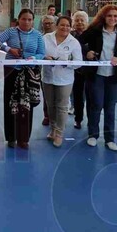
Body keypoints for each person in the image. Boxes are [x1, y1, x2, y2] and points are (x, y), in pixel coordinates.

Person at [78, 4, 117, 151]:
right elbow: (78, 42)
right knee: (95, 105)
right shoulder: (94, 31)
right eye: (109, 16)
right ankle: (93, 135)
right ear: (103, 17)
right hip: (97, 74)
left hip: (114, 76)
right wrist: (87, 52)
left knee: (110, 107)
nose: (112, 18)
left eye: (115, 16)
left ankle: (110, 139)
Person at [0, 8, 45, 149]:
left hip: (29, 72)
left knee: (26, 104)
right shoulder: (11, 32)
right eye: (24, 19)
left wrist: (34, 58)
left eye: (29, 19)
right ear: (19, 19)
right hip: (11, 71)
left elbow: (42, 53)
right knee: (10, 102)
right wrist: (9, 50)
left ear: (33, 21)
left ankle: (23, 138)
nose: (26, 22)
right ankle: (11, 137)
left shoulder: (37, 35)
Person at [42, 16, 83, 147]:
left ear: (70, 27)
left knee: (62, 107)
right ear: (56, 25)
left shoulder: (74, 42)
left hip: (65, 79)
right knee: (50, 105)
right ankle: (53, 129)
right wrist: (45, 57)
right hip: (48, 77)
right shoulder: (46, 38)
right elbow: (39, 53)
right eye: (62, 25)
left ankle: (59, 134)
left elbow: (79, 63)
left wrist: (67, 63)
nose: (65, 28)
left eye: (67, 25)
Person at [71, 11, 89, 129]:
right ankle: (78, 118)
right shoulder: (70, 35)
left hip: (90, 71)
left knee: (91, 96)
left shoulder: (92, 35)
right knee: (77, 96)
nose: (79, 22)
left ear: (87, 22)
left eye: (82, 20)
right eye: (77, 20)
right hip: (75, 71)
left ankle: (92, 121)